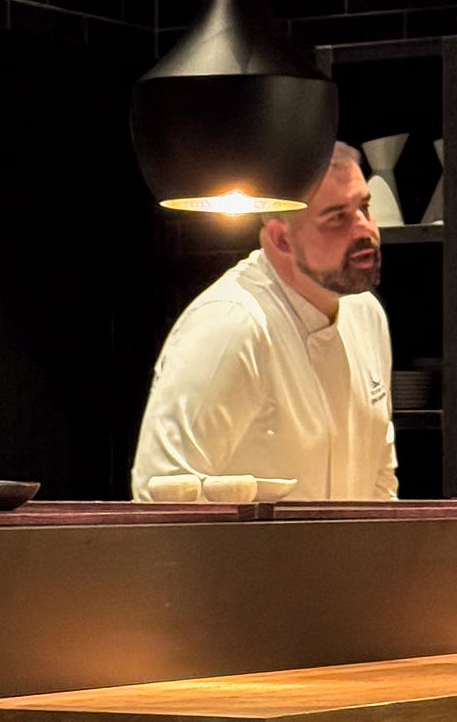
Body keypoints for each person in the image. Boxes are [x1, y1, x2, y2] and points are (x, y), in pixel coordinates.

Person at [132, 142, 397, 501]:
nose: (365, 230)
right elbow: (162, 492)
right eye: (337, 217)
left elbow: (380, 483)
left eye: (364, 208)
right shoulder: (231, 324)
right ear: (280, 239)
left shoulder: (366, 315)